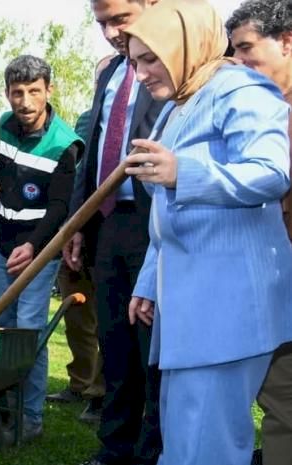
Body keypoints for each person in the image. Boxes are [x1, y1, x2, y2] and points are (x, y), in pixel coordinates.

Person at [124, 1, 292, 464]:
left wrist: (184, 172)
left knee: (206, 446)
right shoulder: (179, 104)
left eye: (150, 58)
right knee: (184, 439)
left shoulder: (242, 88)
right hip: (190, 305)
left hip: (228, 306)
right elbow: (166, 209)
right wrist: (148, 282)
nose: (140, 74)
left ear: (185, 45)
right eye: (134, 61)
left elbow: (271, 172)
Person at [64, 1, 166, 463]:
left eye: (119, 20)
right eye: (101, 22)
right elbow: (95, 151)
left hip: (157, 223)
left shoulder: (176, 70)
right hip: (109, 225)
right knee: (116, 342)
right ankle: (115, 448)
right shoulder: (109, 72)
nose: (109, 32)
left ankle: (154, 450)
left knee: (153, 347)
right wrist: (78, 223)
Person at [0, 54, 82, 441]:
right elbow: (8, 179)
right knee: (2, 330)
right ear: (7, 94)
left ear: (48, 91)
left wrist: (35, 246)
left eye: (34, 91)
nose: (25, 101)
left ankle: (30, 419)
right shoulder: (1, 125)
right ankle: (1, 406)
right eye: (17, 93)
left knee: (30, 332)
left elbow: (59, 206)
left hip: (38, 251)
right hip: (3, 243)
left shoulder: (66, 144)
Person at [226, 3, 292, 464]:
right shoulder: (258, 109)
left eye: (247, 48)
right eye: (234, 52)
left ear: (287, 41)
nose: (240, 62)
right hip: (266, 278)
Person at [48, 56, 115, 424]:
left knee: (108, 314)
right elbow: (80, 174)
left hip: (113, 230)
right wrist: (72, 226)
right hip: (81, 228)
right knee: (76, 311)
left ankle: (101, 392)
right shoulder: (87, 120)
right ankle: (79, 381)